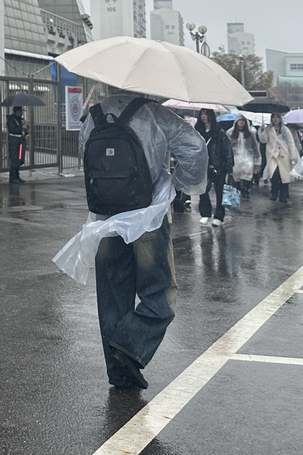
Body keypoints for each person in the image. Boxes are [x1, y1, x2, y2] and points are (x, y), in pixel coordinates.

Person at [78, 93, 207, 391]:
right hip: (146, 214)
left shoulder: (94, 115)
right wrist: (180, 182)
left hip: (106, 217)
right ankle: (131, 344)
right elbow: (195, 147)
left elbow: (86, 155)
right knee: (160, 292)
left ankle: (119, 373)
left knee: (112, 295)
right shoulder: (155, 114)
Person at [196, 109, 233, 227]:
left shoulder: (219, 132)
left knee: (219, 191)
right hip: (203, 165)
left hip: (218, 166)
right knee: (203, 190)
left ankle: (219, 216)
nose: (203, 117)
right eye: (202, 114)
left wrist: (229, 166)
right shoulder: (198, 131)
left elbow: (227, 149)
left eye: (206, 114)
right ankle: (205, 213)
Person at [259, 113, 300, 203]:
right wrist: (262, 131)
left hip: (284, 156)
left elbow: (291, 143)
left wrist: (293, 156)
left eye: (277, 117)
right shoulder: (268, 129)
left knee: (284, 177)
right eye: (273, 117)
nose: (275, 119)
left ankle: (283, 194)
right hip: (272, 156)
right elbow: (264, 140)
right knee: (274, 176)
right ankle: (274, 192)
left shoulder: (285, 130)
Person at [228, 116, 260, 199]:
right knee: (236, 175)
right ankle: (238, 189)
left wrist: (257, 157)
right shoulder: (230, 133)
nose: (241, 122)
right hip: (236, 156)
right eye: (240, 120)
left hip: (248, 156)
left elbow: (255, 145)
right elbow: (227, 146)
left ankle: (245, 190)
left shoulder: (250, 134)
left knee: (247, 175)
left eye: (243, 120)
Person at [7, 105, 26, 184]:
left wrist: (26, 133)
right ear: (17, 111)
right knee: (14, 159)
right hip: (14, 143)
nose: (22, 113)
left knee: (19, 159)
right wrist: (22, 127)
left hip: (20, 142)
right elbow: (13, 129)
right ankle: (12, 177)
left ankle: (17, 175)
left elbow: (22, 130)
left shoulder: (20, 120)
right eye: (21, 111)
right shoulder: (11, 120)